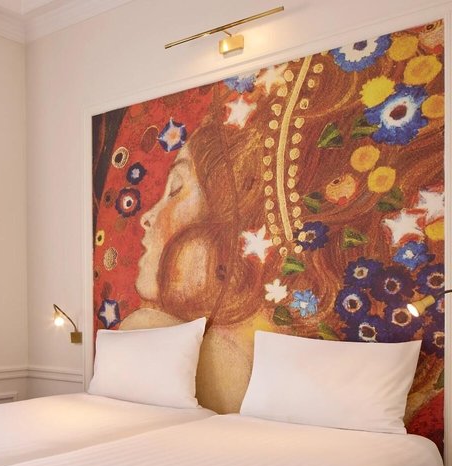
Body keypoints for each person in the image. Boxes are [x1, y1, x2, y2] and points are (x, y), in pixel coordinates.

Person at [96, 24, 444, 428]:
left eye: (175, 189)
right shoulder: (164, 330)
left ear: (225, 223)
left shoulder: (229, 351)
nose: (147, 216)